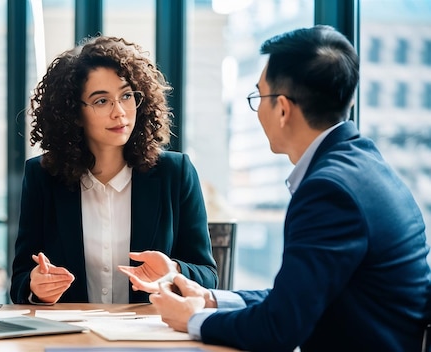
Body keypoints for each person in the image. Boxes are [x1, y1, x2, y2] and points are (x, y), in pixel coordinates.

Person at [148, 25, 431, 351]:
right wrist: (211, 299)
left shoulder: (329, 192)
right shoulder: (366, 167)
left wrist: (192, 320)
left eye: (259, 97)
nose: (258, 112)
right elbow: (299, 296)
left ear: (282, 108)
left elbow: (280, 328)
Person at [9, 35, 218, 305]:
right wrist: (35, 286)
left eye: (127, 96)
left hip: (150, 336)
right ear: (73, 112)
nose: (119, 112)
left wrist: (173, 272)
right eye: (101, 101)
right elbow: (20, 281)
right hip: (72, 337)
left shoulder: (175, 173)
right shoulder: (42, 176)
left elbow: (208, 276)